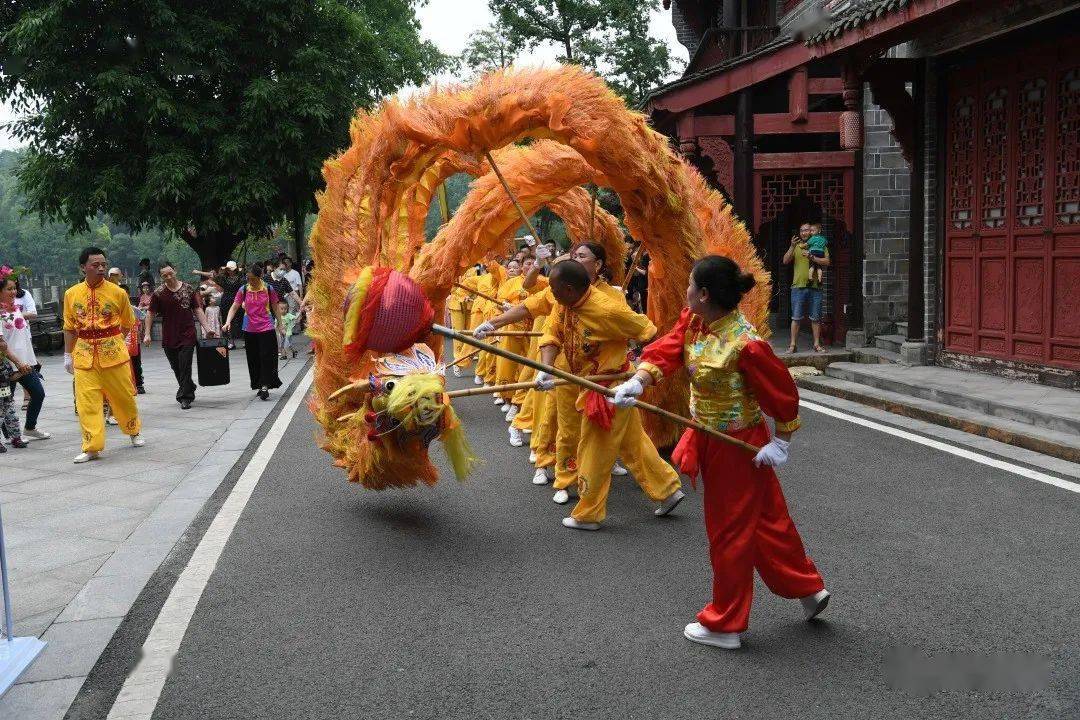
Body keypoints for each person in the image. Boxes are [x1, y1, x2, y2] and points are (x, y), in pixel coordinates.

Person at [610, 255, 829, 650]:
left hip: (737, 446)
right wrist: (640, 380)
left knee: (728, 531)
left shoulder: (746, 345)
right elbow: (671, 347)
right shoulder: (696, 320)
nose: (686, 290)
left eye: (691, 284)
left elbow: (783, 395)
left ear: (705, 294)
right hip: (708, 433)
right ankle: (807, 588)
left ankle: (726, 623)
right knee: (766, 519)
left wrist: (780, 443)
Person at [531, 259, 684, 530]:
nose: (550, 294)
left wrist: (636, 371)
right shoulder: (563, 304)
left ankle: (588, 514)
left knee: (594, 449)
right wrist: (545, 369)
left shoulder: (607, 310)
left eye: (554, 290)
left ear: (568, 289)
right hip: (588, 384)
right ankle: (668, 490)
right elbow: (552, 334)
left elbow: (648, 331)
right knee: (632, 443)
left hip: (609, 391)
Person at [478, 242, 630, 495]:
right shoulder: (561, 287)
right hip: (560, 367)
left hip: (598, 372)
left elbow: (633, 328)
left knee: (603, 422)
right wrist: (493, 323)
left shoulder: (610, 295)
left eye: (582, 256)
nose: (575, 260)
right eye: (573, 256)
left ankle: (600, 467)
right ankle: (549, 466)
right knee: (553, 421)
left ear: (599, 264)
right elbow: (530, 304)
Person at [63, 246, 145, 463]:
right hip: (84, 353)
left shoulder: (118, 292)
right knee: (86, 402)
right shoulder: (71, 294)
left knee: (123, 395)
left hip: (113, 352)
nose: (101, 268)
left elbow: (128, 322)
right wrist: (67, 355)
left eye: (103, 265)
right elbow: (69, 327)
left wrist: (116, 340)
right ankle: (92, 446)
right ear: (83, 267)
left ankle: (133, 430)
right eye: (95, 265)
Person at [144, 262, 216, 409]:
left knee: (185, 365)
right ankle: (189, 386)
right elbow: (150, 313)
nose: (169, 277)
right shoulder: (158, 293)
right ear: (161, 276)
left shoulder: (188, 288)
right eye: (165, 275)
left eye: (170, 273)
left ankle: (185, 397)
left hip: (187, 333)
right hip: (169, 335)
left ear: (175, 271)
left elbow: (197, 310)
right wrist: (147, 334)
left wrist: (207, 328)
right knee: (176, 367)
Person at [223, 264, 284, 400]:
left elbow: (275, 307)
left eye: (252, 279)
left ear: (260, 276)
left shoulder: (269, 289)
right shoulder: (243, 289)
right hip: (249, 329)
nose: (250, 281)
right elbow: (234, 307)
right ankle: (258, 383)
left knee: (266, 357)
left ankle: (265, 385)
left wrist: (280, 325)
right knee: (254, 358)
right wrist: (228, 322)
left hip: (266, 327)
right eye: (248, 278)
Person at [783, 222, 830, 353]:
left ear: (811, 232)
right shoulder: (797, 246)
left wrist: (812, 257)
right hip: (798, 286)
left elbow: (827, 261)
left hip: (815, 287)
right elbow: (785, 261)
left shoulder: (820, 244)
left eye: (807, 230)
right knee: (796, 318)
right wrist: (792, 246)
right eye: (802, 230)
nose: (804, 232)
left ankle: (816, 344)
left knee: (815, 318)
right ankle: (792, 345)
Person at [0, 334, 28, 451]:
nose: (3, 344)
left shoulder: (5, 362)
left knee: (12, 417)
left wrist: (22, 372)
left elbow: (11, 377)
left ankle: (16, 438)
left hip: (7, 396)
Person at [218, 260, 245, 349]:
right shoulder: (223, 278)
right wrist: (222, 270)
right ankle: (230, 342)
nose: (230, 271)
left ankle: (245, 340)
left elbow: (244, 288)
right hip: (226, 300)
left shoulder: (241, 278)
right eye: (228, 269)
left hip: (238, 299)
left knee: (242, 319)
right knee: (227, 321)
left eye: (231, 269)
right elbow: (215, 277)